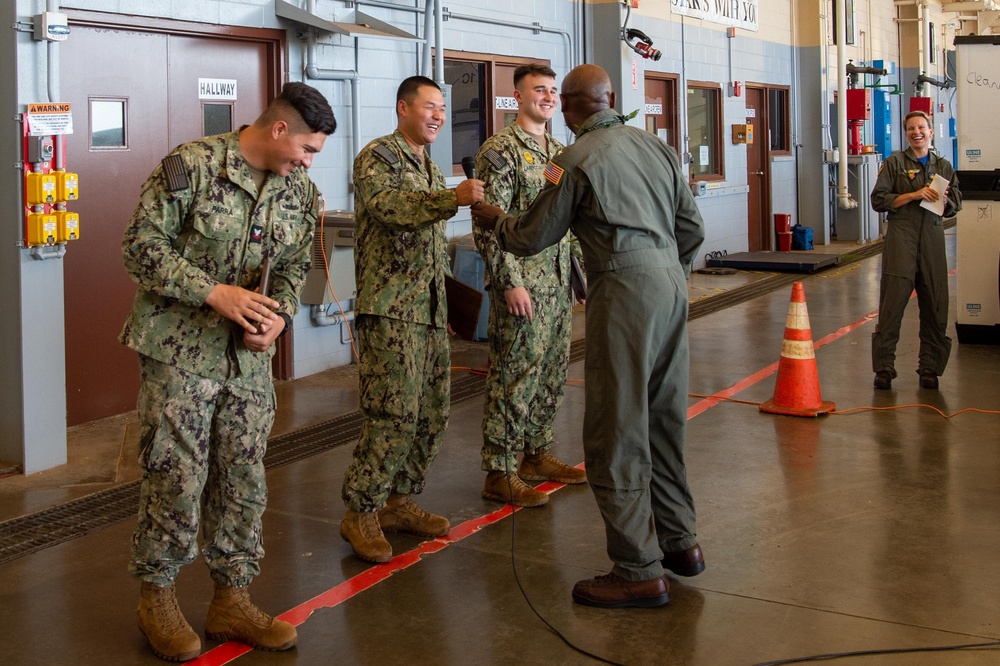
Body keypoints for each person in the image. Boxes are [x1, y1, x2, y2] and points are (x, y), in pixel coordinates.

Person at [472, 64, 706, 609]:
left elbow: (531, 236)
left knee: (615, 427)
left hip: (624, 291)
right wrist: (665, 274)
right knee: (664, 418)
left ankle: (637, 569)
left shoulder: (571, 158)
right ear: (611, 100)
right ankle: (680, 543)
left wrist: (491, 217)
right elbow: (692, 229)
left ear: (574, 109)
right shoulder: (656, 147)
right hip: (672, 285)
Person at [120, 82, 336, 661]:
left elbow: (295, 265)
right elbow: (140, 247)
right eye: (308, 149)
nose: (309, 162)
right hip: (179, 352)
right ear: (280, 129)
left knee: (243, 476)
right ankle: (157, 596)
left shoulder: (298, 191)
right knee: (176, 474)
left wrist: (281, 318)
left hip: (247, 362)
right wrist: (213, 292)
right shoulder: (191, 165)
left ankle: (231, 597)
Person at [340, 76, 485, 563]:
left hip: (427, 309)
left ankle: (397, 501)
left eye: (443, 109)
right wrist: (453, 199)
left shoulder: (427, 165)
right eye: (429, 107)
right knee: (393, 414)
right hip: (390, 309)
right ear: (403, 107)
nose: (439, 116)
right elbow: (392, 209)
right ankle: (360, 510)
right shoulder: (378, 157)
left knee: (431, 413)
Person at [473, 63, 586, 508]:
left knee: (552, 373)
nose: (548, 97)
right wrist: (508, 283)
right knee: (514, 376)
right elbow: (487, 223)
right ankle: (498, 471)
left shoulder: (558, 155)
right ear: (517, 96)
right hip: (521, 287)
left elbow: (563, 217)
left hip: (556, 284)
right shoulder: (499, 151)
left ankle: (535, 454)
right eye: (539, 90)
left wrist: (578, 270)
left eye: (553, 91)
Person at [870, 110, 961, 390]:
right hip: (902, 235)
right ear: (906, 133)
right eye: (911, 128)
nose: (916, 132)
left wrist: (945, 201)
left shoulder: (943, 166)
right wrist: (914, 194)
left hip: (932, 235)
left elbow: (955, 204)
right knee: (892, 302)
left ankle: (929, 369)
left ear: (931, 131)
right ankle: (884, 368)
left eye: (921, 127)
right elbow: (878, 200)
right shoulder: (895, 162)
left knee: (935, 301)